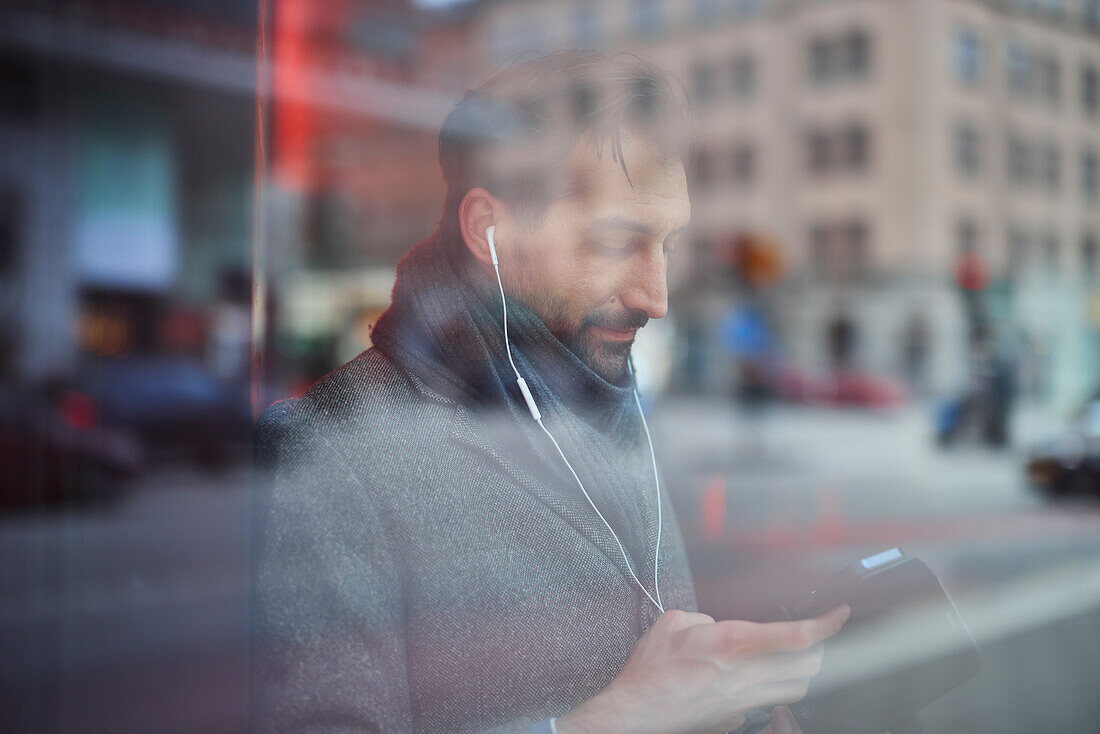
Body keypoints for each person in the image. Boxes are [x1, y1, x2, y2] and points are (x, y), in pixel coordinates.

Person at [252, 51, 848, 734]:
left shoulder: (599, 393)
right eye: (616, 242)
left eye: (669, 245)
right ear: (489, 231)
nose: (655, 297)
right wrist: (618, 720)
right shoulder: (331, 448)